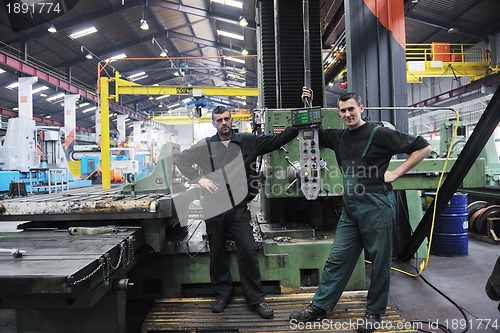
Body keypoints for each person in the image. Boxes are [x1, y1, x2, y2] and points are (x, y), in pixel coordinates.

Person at [289, 88, 432, 333]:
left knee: (379, 263)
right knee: (337, 259)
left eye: (351, 109)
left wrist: (396, 172)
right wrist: (307, 102)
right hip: (351, 209)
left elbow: (423, 147)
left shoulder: (380, 133)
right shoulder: (339, 137)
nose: (347, 114)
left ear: (361, 109)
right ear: (339, 113)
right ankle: (320, 307)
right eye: (343, 111)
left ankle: (374, 313)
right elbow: (310, 130)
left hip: (377, 206)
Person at [174, 105, 298, 319]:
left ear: (232, 121)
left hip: (238, 208)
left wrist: (298, 124)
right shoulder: (204, 147)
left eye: (227, 119)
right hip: (213, 208)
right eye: (219, 120)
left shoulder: (248, 141)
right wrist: (198, 179)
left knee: (248, 250)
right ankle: (222, 295)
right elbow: (180, 160)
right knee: (217, 252)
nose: (224, 123)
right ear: (213, 124)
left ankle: (256, 299)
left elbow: (276, 141)